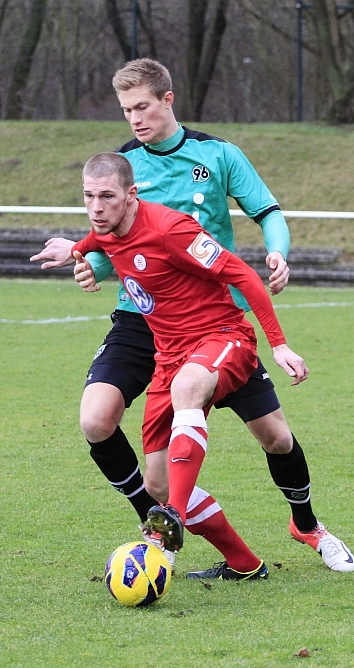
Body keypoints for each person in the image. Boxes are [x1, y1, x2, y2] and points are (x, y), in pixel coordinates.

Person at [31, 58, 354, 576]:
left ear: (168, 99)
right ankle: (168, 524)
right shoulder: (120, 166)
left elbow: (264, 215)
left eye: (142, 106)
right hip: (144, 323)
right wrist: (83, 259)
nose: (134, 119)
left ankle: (306, 525)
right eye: (126, 110)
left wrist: (277, 253)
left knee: (275, 437)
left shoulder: (216, 155)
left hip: (213, 320)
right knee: (99, 422)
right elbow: (113, 242)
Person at [72, 151, 309, 580]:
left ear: (131, 194)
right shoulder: (106, 228)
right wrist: (73, 249)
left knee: (197, 395)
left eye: (106, 196)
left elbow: (242, 275)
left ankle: (169, 523)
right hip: (168, 355)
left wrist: (279, 345)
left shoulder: (170, 229)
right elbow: (94, 240)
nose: (96, 207)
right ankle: (245, 565)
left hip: (221, 336)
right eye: (89, 196)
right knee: (157, 484)